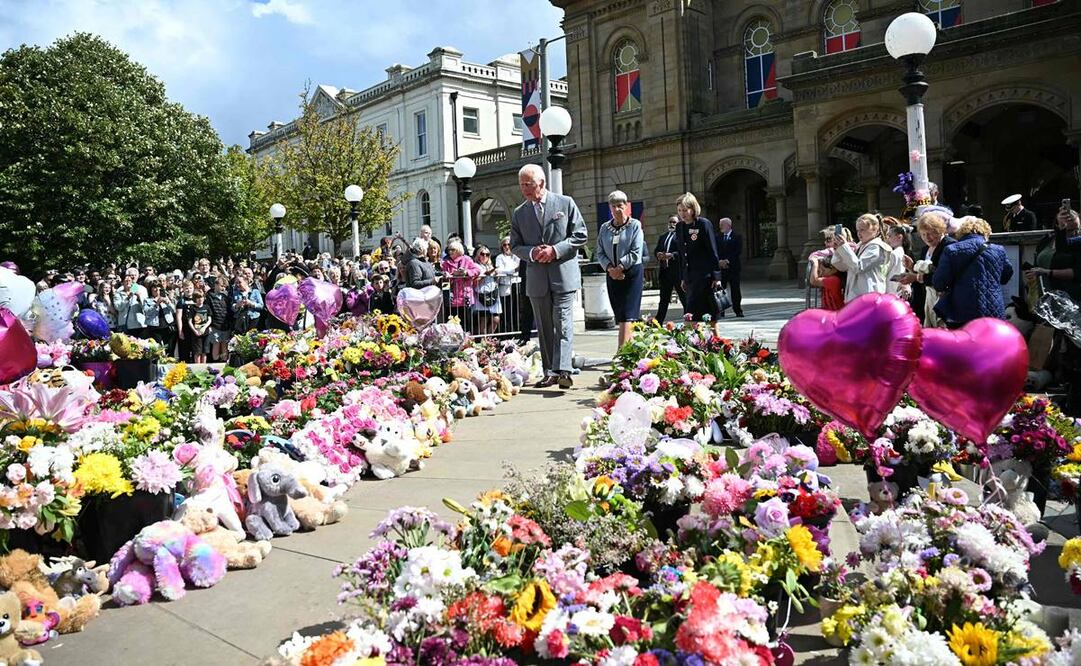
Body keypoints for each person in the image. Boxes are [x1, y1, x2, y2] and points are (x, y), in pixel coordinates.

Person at [510, 163, 587, 389]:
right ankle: (549, 372)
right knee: (544, 327)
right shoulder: (519, 213)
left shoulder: (565, 203)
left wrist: (555, 250)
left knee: (562, 323)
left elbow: (580, 235)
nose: (524, 188)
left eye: (528, 184)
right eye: (521, 184)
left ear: (541, 183)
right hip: (536, 279)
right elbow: (515, 245)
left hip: (563, 275)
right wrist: (533, 252)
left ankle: (563, 370)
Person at [933, 217, 1012, 327]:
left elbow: (939, 283)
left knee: (964, 343)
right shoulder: (998, 250)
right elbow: (1006, 276)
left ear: (961, 233)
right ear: (986, 232)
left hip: (962, 311)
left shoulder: (951, 250)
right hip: (993, 310)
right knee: (991, 343)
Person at [595, 190, 645, 349]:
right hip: (612, 274)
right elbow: (600, 251)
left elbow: (636, 251)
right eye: (614, 206)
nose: (617, 209)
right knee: (620, 314)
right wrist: (610, 268)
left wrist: (621, 267)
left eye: (620, 205)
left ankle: (621, 351)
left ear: (626, 206)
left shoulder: (635, 225)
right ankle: (631, 348)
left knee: (627, 315)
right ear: (610, 208)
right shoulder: (605, 228)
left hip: (631, 274)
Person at [675, 192, 720, 322]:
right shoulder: (679, 227)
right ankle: (695, 340)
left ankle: (714, 340)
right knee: (691, 314)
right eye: (679, 210)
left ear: (693, 209)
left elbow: (712, 251)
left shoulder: (703, 224)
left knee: (709, 315)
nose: (682, 213)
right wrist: (682, 277)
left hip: (705, 277)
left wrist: (716, 276)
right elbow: (681, 254)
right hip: (690, 277)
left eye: (685, 210)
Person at [830, 213, 892, 301]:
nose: (859, 233)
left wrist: (844, 247)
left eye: (862, 230)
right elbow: (840, 266)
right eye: (858, 230)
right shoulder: (859, 246)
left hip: (869, 296)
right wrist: (838, 249)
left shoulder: (877, 247)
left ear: (875, 230)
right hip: (856, 297)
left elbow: (859, 267)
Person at [1025, 207, 1081, 301]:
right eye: (1069, 230)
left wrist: (1047, 272)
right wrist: (1034, 272)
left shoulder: (1078, 242)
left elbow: (1077, 272)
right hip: (1045, 294)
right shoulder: (1048, 240)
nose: (1074, 233)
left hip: (1071, 296)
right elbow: (1061, 247)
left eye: (1077, 229)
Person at [808, 226, 853, 311]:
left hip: (835, 312)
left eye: (828, 240)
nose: (825, 243)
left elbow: (814, 280)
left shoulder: (834, 279)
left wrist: (815, 264)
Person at [441, 240, 482, 328]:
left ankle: (467, 340)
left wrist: (466, 272)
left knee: (466, 323)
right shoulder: (446, 263)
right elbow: (444, 281)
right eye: (449, 250)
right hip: (452, 298)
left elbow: (477, 270)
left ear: (459, 250)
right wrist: (449, 276)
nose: (450, 252)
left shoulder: (467, 259)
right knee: (452, 324)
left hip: (465, 297)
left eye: (453, 250)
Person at [653, 215, 685, 322]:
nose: (672, 224)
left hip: (677, 272)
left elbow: (683, 252)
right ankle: (659, 321)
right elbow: (656, 249)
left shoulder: (681, 236)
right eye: (670, 222)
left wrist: (671, 255)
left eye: (674, 222)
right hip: (665, 272)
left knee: (683, 297)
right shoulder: (663, 236)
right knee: (664, 299)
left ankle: (689, 318)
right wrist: (658, 254)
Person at [716, 217, 744, 317]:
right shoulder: (717, 237)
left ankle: (738, 310)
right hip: (721, 268)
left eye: (722, 225)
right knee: (720, 290)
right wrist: (719, 261)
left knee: (735, 290)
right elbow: (715, 251)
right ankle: (721, 310)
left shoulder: (737, 237)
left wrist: (728, 260)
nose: (720, 227)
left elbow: (737, 251)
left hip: (733, 268)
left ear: (728, 225)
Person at [471, 244, 502, 334]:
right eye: (482, 254)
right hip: (482, 294)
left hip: (493, 294)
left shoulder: (491, 265)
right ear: (478, 255)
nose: (485, 256)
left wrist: (496, 275)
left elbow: (496, 280)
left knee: (496, 319)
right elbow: (474, 282)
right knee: (483, 320)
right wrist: (485, 275)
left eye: (487, 254)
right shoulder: (475, 266)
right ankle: (483, 341)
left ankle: (489, 340)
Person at [494, 237, 521, 335]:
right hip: (505, 287)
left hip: (516, 285)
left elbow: (520, 268)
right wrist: (513, 271)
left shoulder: (517, 256)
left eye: (509, 244)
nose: (507, 247)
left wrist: (511, 271)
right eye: (504, 245)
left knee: (517, 309)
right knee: (507, 310)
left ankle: (517, 331)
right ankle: (507, 332)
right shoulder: (500, 257)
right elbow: (499, 270)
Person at [884, 222, 914, 299]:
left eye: (890, 236)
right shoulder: (902, 252)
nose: (887, 239)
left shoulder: (894, 254)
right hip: (896, 290)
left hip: (890, 290)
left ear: (899, 237)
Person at [206, 276, 232, 362]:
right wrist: (209, 325)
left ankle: (224, 361)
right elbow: (208, 311)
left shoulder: (226, 297)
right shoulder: (209, 296)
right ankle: (215, 362)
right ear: (216, 285)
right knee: (216, 344)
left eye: (225, 286)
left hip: (225, 325)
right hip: (215, 325)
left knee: (224, 344)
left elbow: (228, 311)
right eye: (221, 286)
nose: (223, 288)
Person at [185, 289, 212, 364]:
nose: (200, 299)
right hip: (196, 333)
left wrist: (204, 327)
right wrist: (195, 331)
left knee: (205, 351)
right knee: (197, 352)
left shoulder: (207, 307)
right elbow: (190, 321)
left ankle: (203, 366)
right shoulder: (192, 308)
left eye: (202, 297)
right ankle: (197, 366)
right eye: (198, 298)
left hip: (205, 332)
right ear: (195, 299)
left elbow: (209, 319)